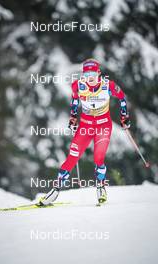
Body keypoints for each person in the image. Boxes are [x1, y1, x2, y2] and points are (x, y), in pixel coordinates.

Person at [39, 58, 130, 205]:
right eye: (86, 75)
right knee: (71, 158)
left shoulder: (108, 86)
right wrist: (73, 118)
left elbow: (122, 98)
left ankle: (100, 186)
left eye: (93, 75)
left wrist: (124, 117)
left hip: (103, 126)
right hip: (85, 127)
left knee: (98, 158)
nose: (90, 79)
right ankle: (54, 191)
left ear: (99, 73)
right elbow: (75, 100)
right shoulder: (78, 85)